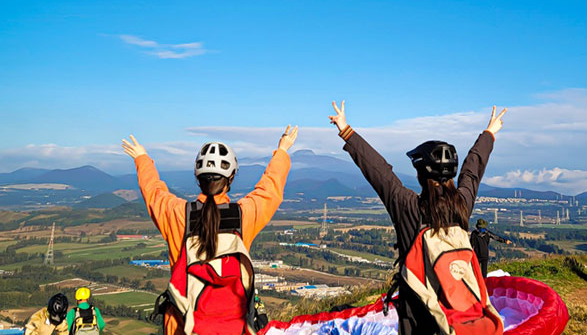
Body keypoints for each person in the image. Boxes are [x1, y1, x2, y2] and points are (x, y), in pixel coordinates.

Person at [329, 100, 507, 335]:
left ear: (420, 174)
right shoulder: (462, 205)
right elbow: (472, 172)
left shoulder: (409, 208)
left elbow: (379, 171)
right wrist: (489, 134)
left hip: (417, 315)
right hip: (457, 314)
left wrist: (346, 130)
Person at [122, 126, 297, 335]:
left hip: (183, 327)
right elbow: (270, 190)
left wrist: (142, 158)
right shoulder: (243, 216)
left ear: (198, 178)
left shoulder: (178, 214)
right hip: (235, 327)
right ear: (231, 178)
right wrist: (282, 151)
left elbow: (153, 192)